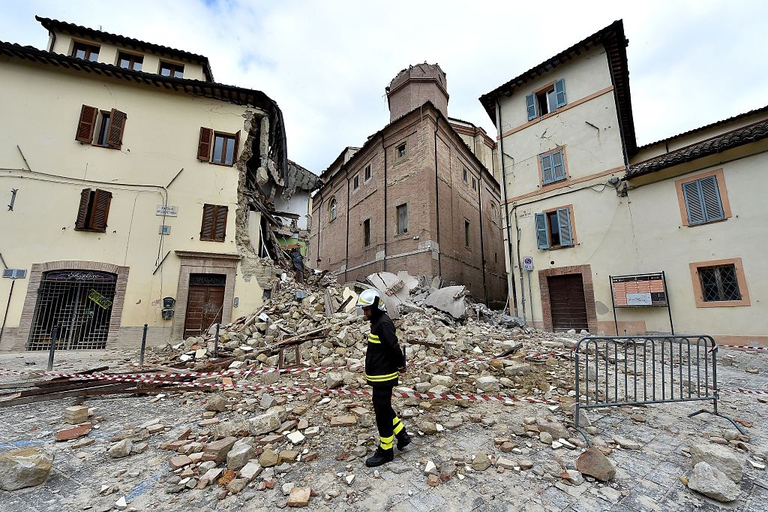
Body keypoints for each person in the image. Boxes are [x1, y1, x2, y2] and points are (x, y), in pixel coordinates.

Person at [356, 289, 412, 467]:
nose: (365, 313)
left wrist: (400, 366)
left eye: (367, 309)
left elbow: (394, 348)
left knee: (382, 412)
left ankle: (386, 450)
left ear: (376, 307)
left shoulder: (383, 324)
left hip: (384, 376)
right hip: (379, 375)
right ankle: (402, 435)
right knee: (385, 407)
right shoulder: (377, 322)